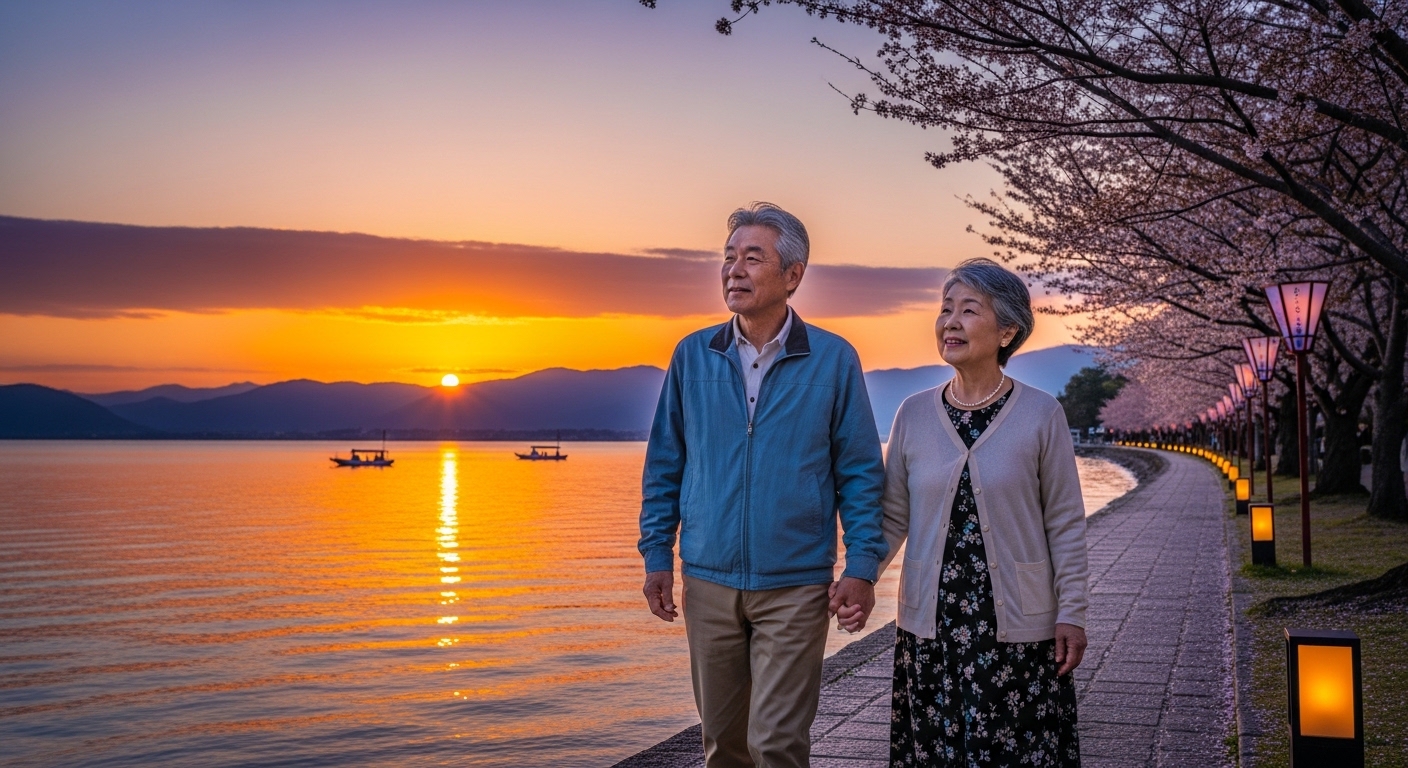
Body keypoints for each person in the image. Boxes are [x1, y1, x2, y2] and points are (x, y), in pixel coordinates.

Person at [638, 202, 887, 768]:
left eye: (753, 258)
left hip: (796, 587)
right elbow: (664, 466)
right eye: (728, 259)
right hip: (708, 581)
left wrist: (861, 567)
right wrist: (657, 554)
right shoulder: (691, 355)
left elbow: (860, 474)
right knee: (723, 747)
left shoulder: (832, 359)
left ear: (793, 276)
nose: (735, 271)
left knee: (776, 745)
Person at [879, 258, 1088, 767]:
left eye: (969, 310)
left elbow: (1064, 522)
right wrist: (855, 578)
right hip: (932, 628)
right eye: (945, 309)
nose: (950, 321)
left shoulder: (1042, 414)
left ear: (1007, 331)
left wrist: (1072, 612)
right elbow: (889, 518)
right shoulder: (912, 413)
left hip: (1016, 628)